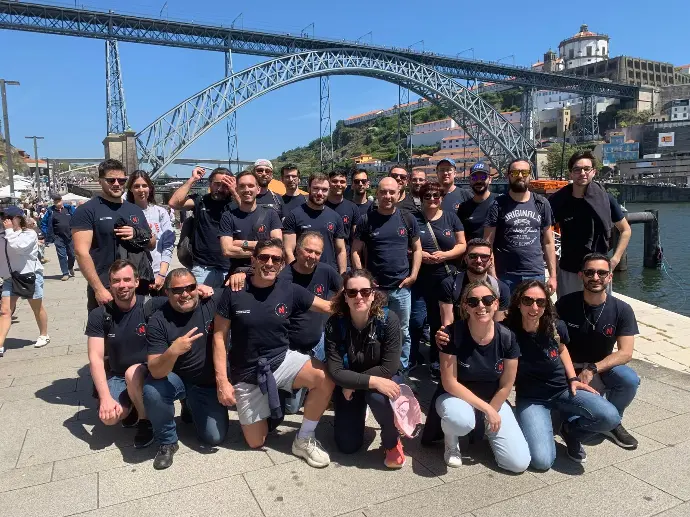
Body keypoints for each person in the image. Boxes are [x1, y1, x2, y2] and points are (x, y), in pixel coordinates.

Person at [211, 239, 335, 468]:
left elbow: (329, 307)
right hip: (246, 371)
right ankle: (271, 408)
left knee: (324, 378)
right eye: (264, 257)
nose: (269, 263)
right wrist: (222, 381)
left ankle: (304, 438)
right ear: (253, 260)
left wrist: (363, 297)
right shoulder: (234, 291)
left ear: (281, 264)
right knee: (255, 442)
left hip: (280, 360)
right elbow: (219, 336)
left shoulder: (289, 289)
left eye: (276, 259)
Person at [506, 280, 621, 468]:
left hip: (563, 390)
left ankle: (570, 430)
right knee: (542, 462)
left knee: (610, 417)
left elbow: (562, 349)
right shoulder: (507, 331)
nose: (534, 307)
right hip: (531, 398)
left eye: (540, 302)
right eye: (527, 301)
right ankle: (539, 421)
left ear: (546, 305)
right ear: (518, 302)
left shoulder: (555, 326)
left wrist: (573, 379)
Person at [433, 280, 530, 472]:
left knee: (518, 464)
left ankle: (485, 429)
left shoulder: (507, 337)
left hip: (493, 399)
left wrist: (491, 411)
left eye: (487, 300)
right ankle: (452, 440)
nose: (481, 306)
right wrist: (487, 410)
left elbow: (506, 385)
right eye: (473, 301)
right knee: (461, 420)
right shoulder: (451, 334)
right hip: (455, 398)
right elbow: (450, 383)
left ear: (495, 303)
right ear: (465, 306)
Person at [555, 253, 640, 449]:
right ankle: (573, 424)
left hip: (601, 367)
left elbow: (626, 352)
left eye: (602, 273)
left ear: (610, 277)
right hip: (570, 369)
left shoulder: (622, 309)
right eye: (590, 272)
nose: (595, 277)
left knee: (630, 379)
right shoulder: (565, 304)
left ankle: (614, 422)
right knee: (574, 415)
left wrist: (594, 368)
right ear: (581, 275)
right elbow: (555, 343)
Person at [142, 269, 223, 470]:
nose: (185, 294)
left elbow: (252, 284)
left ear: (198, 287)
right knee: (153, 390)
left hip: (204, 383)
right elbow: (155, 370)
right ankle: (168, 441)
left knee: (215, 437)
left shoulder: (211, 302)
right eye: (177, 290)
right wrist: (173, 351)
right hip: (174, 379)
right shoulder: (158, 320)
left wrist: (240, 273)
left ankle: (190, 404)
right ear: (167, 293)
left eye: (190, 287)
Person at [325, 269, 405, 468]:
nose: (358, 297)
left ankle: (392, 440)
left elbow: (389, 367)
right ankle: (358, 412)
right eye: (352, 292)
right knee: (347, 446)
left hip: (376, 382)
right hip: (352, 383)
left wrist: (355, 383)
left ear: (373, 294)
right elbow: (335, 371)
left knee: (378, 396)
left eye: (365, 292)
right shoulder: (335, 323)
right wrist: (368, 381)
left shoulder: (389, 319)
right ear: (345, 296)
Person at [86, 260, 163, 448]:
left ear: (137, 282)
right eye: (116, 281)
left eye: (127, 280)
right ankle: (134, 406)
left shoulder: (151, 305)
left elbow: (183, 298)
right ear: (110, 285)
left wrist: (200, 288)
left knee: (133, 373)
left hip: (149, 372)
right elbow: (95, 358)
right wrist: (104, 397)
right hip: (119, 375)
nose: (122, 285)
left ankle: (146, 421)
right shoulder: (99, 315)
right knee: (110, 418)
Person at [352, 177, 422, 375]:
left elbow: (417, 248)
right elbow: (355, 251)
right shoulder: (366, 220)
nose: (388, 196)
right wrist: (363, 277)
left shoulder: (407, 218)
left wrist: (414, 275)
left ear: (399, 193)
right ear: (378, 192)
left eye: (392, 192)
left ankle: (400, 372)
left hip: (401, 288)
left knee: (403, 332)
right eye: (384, 192)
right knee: (374, 331)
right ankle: (377, 371)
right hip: (375, 290)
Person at [72, 159, 155, 312]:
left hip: (135, 286)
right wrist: (98, 289)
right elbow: (81, 252)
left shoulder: (135, 210)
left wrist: (136, 233)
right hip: (106, 287)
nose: (117, 184)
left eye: (122, 180)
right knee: (103, 333)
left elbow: (151, 244)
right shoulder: (88, 210)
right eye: (111, 180)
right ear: (100, 181)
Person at [549, 150, 632, 298]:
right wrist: (553, 268)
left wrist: (615, 259)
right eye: (577, 169)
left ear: (593, 172)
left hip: (598, 270)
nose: (582, 173)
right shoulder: (558, 201)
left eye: (587, 169)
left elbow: (625, 230)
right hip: (570, 269)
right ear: (571, 174)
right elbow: (545, 234)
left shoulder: (606, 199)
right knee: (569, 313)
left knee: (599, 314)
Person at [415, 181, 466, 379]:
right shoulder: (414, 219)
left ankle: (443, 360)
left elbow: (462, 244)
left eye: (436, 195)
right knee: (419, 321)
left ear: (442, 198)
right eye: (427, 195)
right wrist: (421, 255)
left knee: (447, 321)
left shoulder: (451, 218)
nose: (432, 199)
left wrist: (445, 255)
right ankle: (421, 360)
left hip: (448, 277)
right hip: (422, 279)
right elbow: (405, 246)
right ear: (421, 198)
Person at [484, 158, 557, 295]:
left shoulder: (542, 203)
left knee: (533, 314)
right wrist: (492, 276)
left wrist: (553, 276)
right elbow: (488, 243)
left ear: (530, 175)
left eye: (524, 172)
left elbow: (548, 242)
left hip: (535, 273)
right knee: (504, 315)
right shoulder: (497, 205)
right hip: (505, 275)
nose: (520, 176)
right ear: (508, 176)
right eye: (515, 172)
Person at [168, 166, 236, 288]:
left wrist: (235, 191)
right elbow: (174, 203)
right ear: (210, 184)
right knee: (199, 306)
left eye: (225, 185)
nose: (220, 189)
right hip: (202, 268)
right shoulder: (201, 200)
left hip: (230, 269)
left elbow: (249, 211)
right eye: (216, 184)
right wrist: (192, 179)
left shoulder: (236, 204)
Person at [0, 206, 50, 356]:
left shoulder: (29, 234)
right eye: (4, 217)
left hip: (29, 276)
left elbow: (18, 247)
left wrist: (9, 231)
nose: (5, 221)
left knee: (36, 307)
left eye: (9, 217)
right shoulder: (3, 235)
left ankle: (44, 334)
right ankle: (0, 343)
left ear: (18, 218)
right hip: (10, 277)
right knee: (4, 311)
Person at [219, 170, 282, 274]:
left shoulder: (271, 214)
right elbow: (227, 250)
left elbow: (278, 244)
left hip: (266, 271)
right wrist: (263, 251)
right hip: (238, 273)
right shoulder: (228, 216)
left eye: (250, 185)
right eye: (242, 186)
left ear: (258, 189)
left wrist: (242, 243)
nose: (246, 189)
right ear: (236, 189)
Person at [283, 173, 347, 274]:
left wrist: (342, 276)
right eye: (316, 188)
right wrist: (294, 275)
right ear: (308, 188)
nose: (320, 193)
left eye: (324, 190)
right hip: (302, 275)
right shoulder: (294, 215)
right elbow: (288, 251)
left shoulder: (335, 217)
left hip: (328, 275)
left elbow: (341, 250)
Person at [439, 239, 510, 326]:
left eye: (484, 256)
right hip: (459, 336)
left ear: (491, 260)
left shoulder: (501, 289)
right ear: (465, 258)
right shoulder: (450, 284)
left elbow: (499, 326)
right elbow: (447, 323)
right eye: (473, 256)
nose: (479, 260)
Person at [126, 170, 176, 295]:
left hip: (157, 273)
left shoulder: (160, 212)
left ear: (150, 188)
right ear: (131, 189)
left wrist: (162, 274)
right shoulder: (124, 213)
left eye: (144, 185)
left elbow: (168, 245)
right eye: (136, 186)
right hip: (134, 274)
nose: (141, 190)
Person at [326, 170, 361, 270]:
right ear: (329, 183)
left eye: (342, 181)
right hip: (324, 261)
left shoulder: (353, 208)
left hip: (346, 263)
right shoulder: (321, 206)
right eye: (335, 181)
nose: (338, 184)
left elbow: (356, 238)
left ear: (346, 184)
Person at [41, 193, 76, 280]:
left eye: (59, 201)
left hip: (70, 236)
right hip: (58, 237)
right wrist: (47, 233)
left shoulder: (69, 209)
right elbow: (43, 223)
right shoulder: (50, 211)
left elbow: (77, 218)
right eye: (56, 201)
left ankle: (70, 266)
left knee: (72, 254)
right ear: (54, 202)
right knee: (62, 255)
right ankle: (65, 273)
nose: (58, 203)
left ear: (62, 200)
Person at [457, 162, 496, 240]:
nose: (478, 181)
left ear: (490, 179)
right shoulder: (463, 208)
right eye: (474, 178)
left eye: (483, 177)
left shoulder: (500, 201)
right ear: (470, 180)